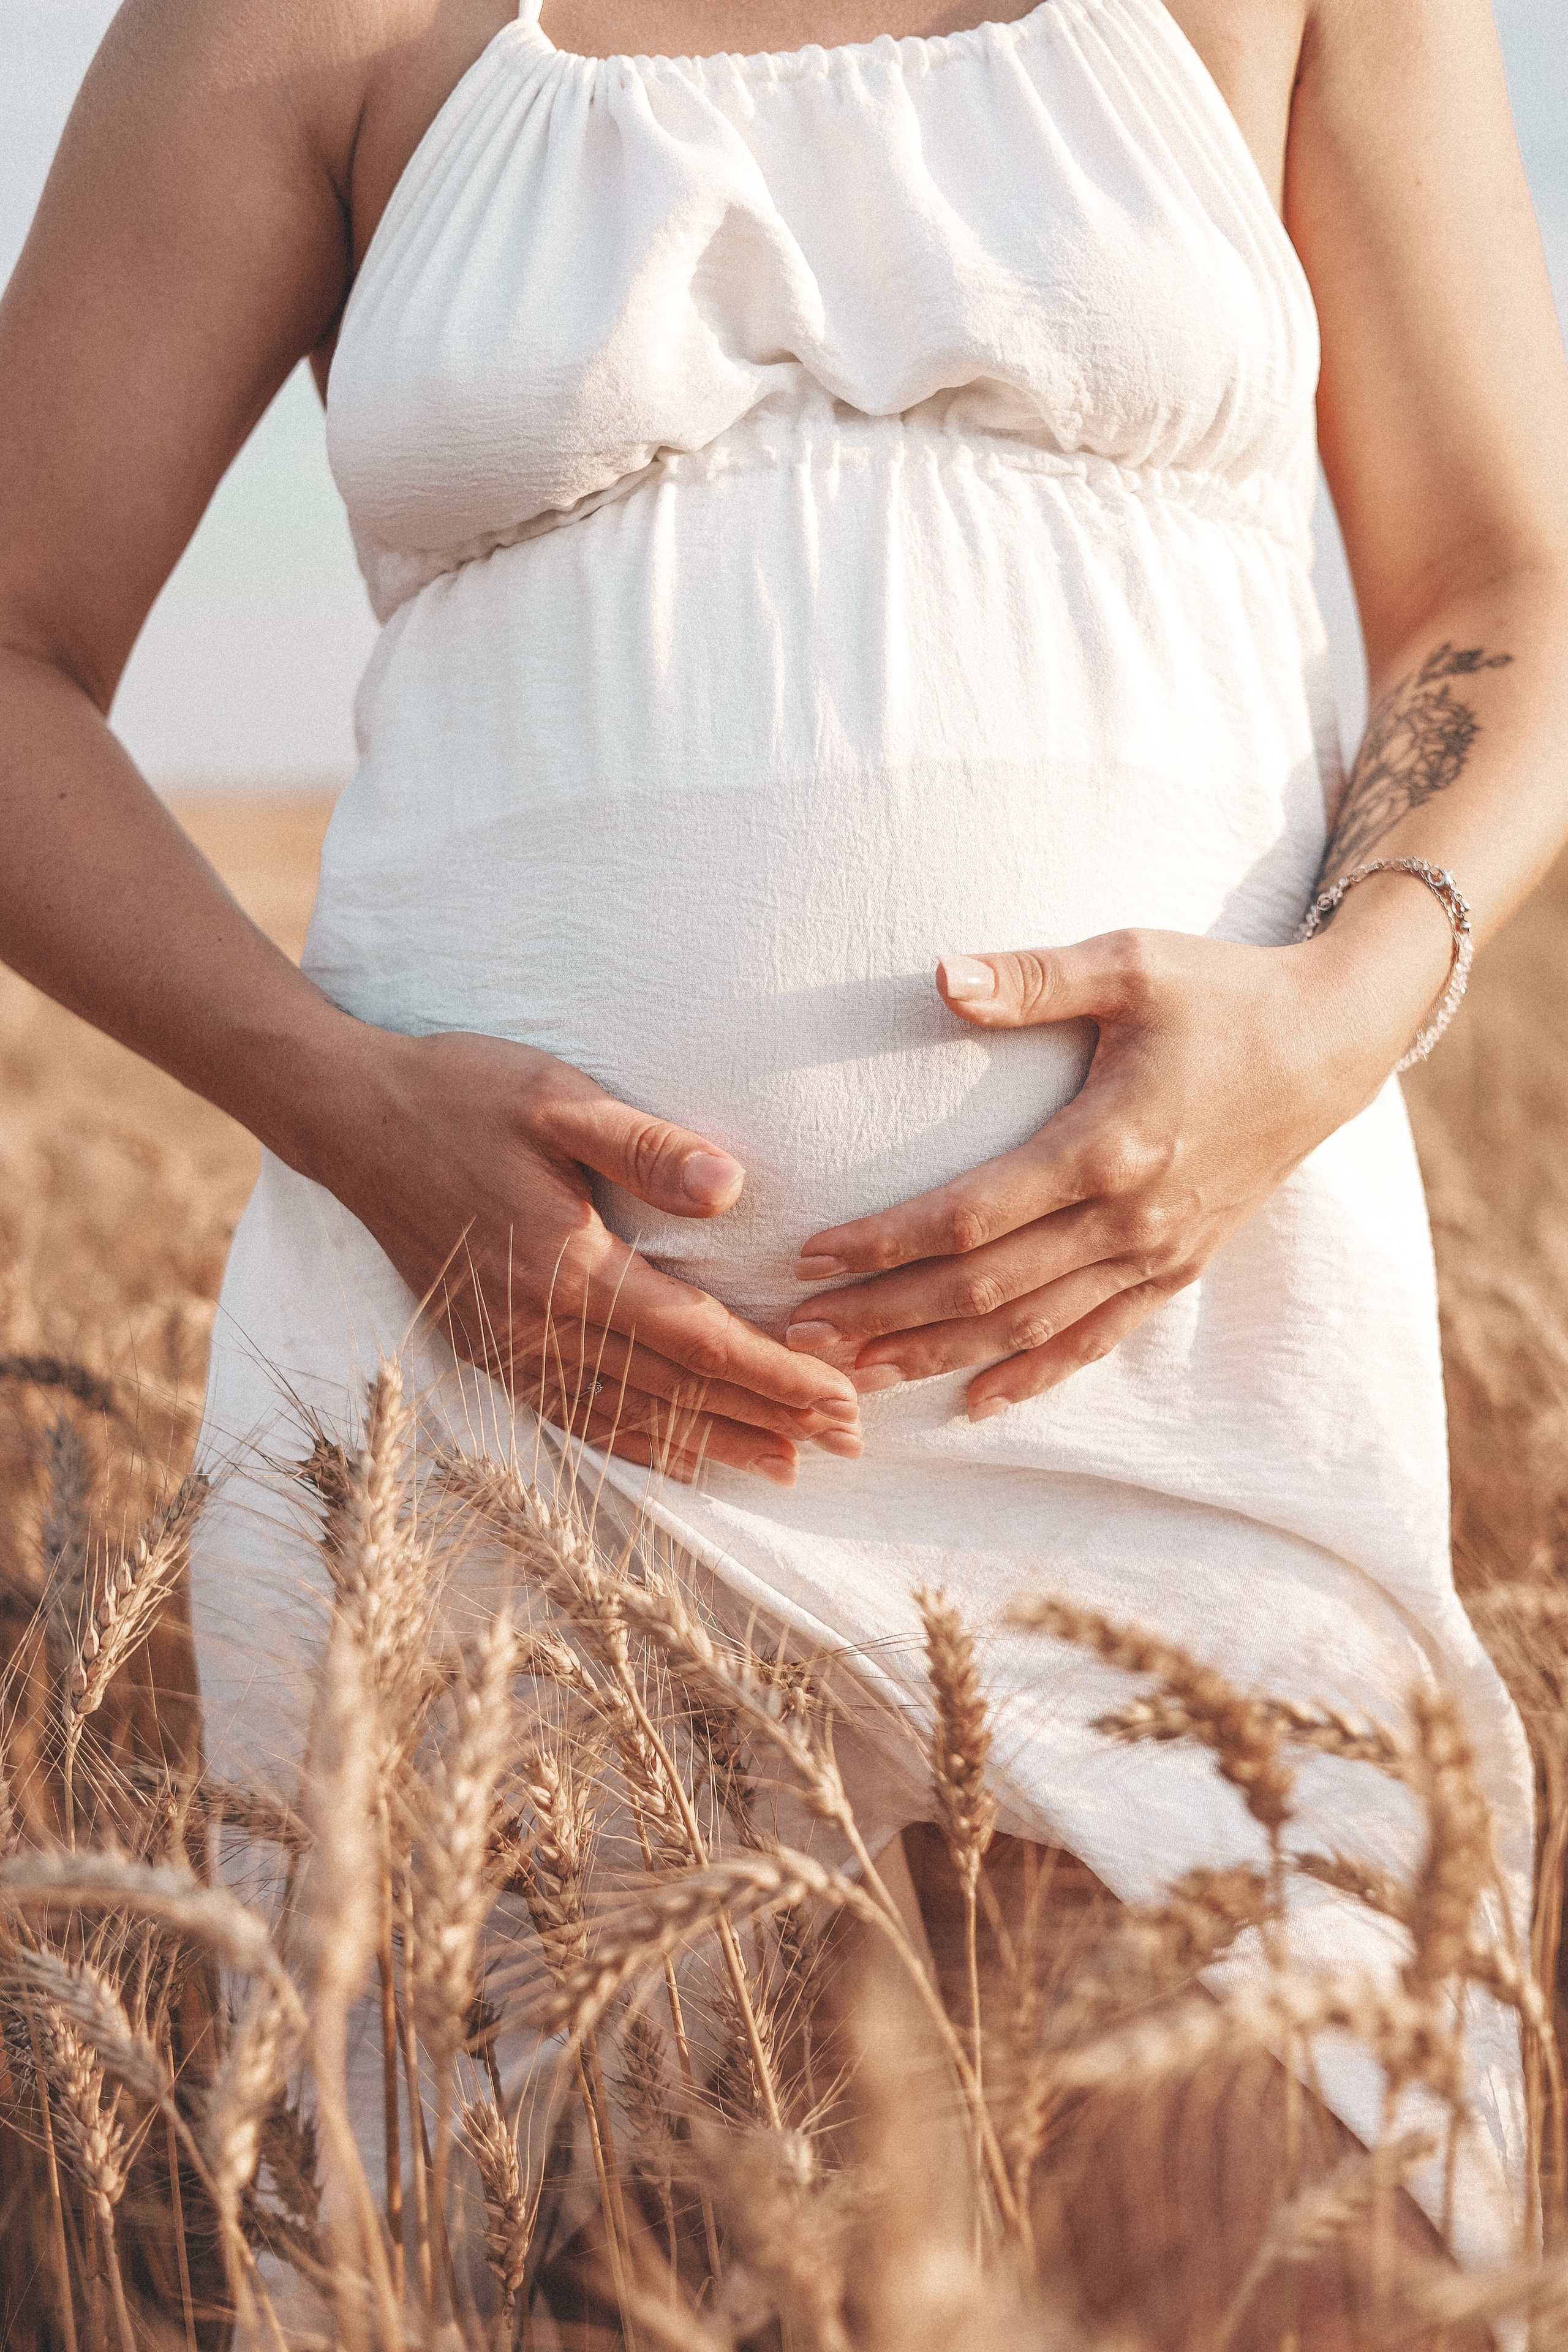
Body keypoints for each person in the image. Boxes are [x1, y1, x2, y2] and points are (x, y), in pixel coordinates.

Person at [2, 0, 1566, 2331]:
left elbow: (1505, 583)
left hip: (1170, 1401)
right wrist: (347, 1110)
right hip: (496, 1432)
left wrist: (1337, 1013)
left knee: (1293, 2276)